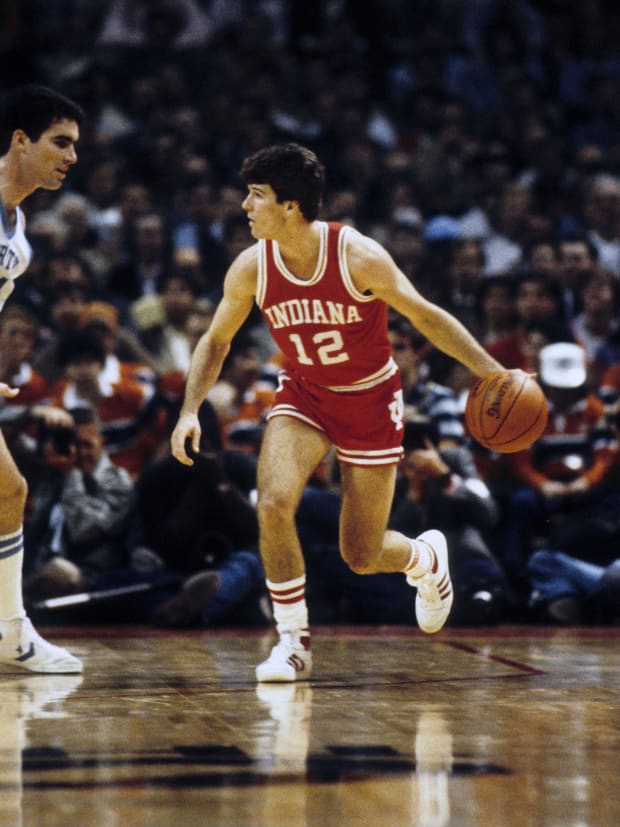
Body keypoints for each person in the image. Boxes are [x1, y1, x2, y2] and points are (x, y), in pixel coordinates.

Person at [171, 143, 505, 683]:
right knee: (274, 502)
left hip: (370, 399)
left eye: (256, 195)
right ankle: (292, 640)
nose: (244, 206)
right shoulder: (252, 266)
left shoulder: (358, 256)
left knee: (361, 553)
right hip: (304, 394)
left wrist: (492, 371)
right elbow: (215, 341)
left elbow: (426, 316)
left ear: (291, 207)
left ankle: (423, 560)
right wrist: (190, 410)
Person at [0, 83, 84, 672]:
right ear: (20, 140)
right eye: (61, 142)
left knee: (9, 492)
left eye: (75, 145)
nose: (72, 156)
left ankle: (13, 635)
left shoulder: (19, 235)